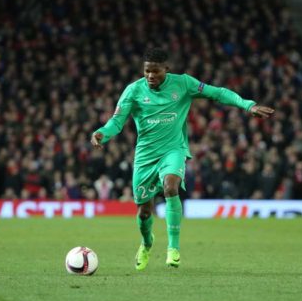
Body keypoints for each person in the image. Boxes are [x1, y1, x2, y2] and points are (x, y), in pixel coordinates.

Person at [91, 48, 274, 270]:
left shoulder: (184, 83)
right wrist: (103, 133)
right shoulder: (133, 91)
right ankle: (147, 243)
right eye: (147, 71)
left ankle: (173, 248)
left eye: (156, 71)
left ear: (166, 69)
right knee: (144, 211)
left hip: (173, 150)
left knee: (170, 187)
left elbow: (217, 93)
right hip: (145, 156)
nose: (151, 76)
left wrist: (248, 105)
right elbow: (116, 121)